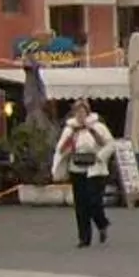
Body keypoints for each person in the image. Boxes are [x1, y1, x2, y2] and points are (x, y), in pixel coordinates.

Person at [51, 100, 116, 248]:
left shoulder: (98, 127)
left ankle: (102, 223)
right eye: (77, 112)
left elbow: (110, 144)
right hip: (77, 168)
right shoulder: (70, 129)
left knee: (94, 201)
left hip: (95, 168)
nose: (80, 115)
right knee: (81, 204)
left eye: (83, 111)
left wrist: (100, 156)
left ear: (87, 112)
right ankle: (84, 238)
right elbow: (61, 149)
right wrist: (71, 141)